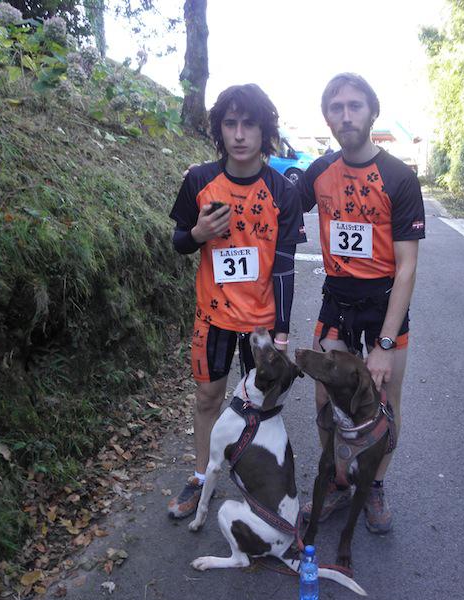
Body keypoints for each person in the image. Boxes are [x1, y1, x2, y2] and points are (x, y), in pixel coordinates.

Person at [167, 84, 306, 519]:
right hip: (212, 316)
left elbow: (284, 266)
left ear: (265, 131)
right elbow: (178, 242)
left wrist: (282, 331)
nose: (240, 134)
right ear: (219, 129)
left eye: (250, 124)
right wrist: (198, 234)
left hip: (260, 323)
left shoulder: (283, 191)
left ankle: (255, 482)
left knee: (261, 407)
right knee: (208, 398)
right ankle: (200, 478)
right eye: (230, 124)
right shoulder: (199, 181)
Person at [298, 73, 426, 534]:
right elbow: (269, 200)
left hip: (384, 306)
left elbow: (407, 267)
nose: (346, 115)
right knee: (323, 397)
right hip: (337, 301)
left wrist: (385, 344)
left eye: (355, 106)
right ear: (327, 117)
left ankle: (373, 484)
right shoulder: (319, 171)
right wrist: (210, 176)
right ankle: (338, 480)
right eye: (337, 108)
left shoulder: (399, 178)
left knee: (385, 399)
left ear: (372, 112)